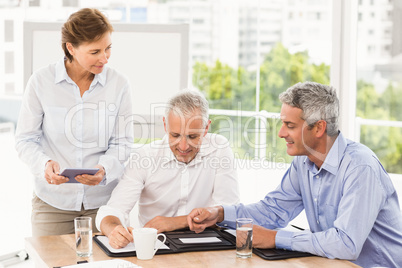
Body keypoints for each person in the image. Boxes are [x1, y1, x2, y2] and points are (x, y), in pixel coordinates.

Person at [187, 82, 402, 268]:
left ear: (319, 128)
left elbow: (346, 243)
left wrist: (275, 238)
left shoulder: (360, 168)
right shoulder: (304, 161)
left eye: (289, 125)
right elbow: (274, 211)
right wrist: (221, 213)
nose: (281, 133)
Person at [15, 8, 133, 236]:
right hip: (52, 204)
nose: (105, 58)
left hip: (102, 205)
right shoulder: (41, 82)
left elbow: (123, 143)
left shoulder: (119, 85)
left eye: (108, 48)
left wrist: (104, 169)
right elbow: (25, 139)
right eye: (95, 51)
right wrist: (44, 165)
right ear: (71, 48)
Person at [96, 90, 240, 249]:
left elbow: (228, 213)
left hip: (205, 246)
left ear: (206, 128)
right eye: (175, 135)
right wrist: (113, 230)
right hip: (156, 247)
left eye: (192, 136)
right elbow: (113, 210)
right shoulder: (144, 157)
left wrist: (176, 222)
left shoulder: (219, 149)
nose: (183, 146)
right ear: (165, 125)